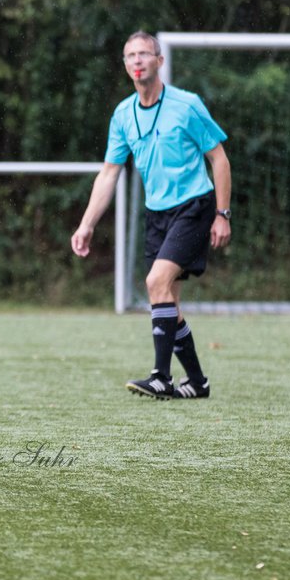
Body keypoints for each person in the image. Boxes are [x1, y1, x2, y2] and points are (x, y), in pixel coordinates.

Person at [71, 31, 231, 400]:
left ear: (159, 61)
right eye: (130, 55)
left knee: (155, 282)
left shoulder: (186, 105)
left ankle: (161, 376)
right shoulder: (123, 114)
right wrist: (86, 224)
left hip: (195, 205)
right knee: (167, 302)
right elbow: (110, 173)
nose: (137, 60)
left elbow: (219, 159)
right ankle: (198, 382)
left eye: (145, 53)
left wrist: (222, 214)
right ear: (126, 66)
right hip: (156, 213)